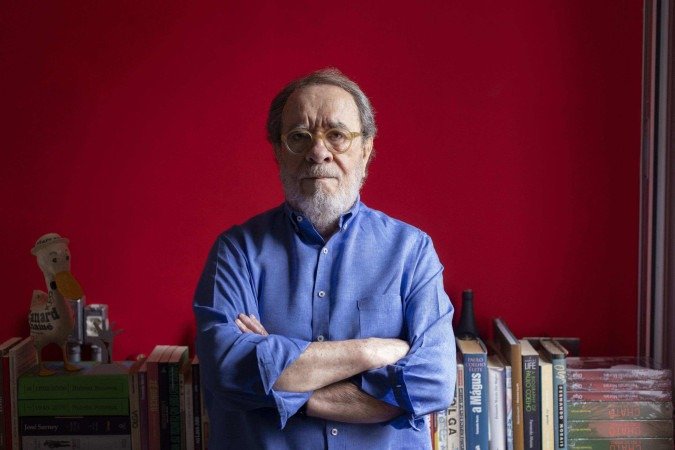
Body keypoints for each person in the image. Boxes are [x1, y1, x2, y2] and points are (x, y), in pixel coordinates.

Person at [193, 68, 456, 449]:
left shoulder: (412, 251)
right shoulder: (236, 251)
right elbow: (228, 370)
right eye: (299, 137)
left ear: (366, 149)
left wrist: (283, 385)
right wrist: (371, 351)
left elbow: (432, 382)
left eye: (337, 135)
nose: (318, 152)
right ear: (278, 152)